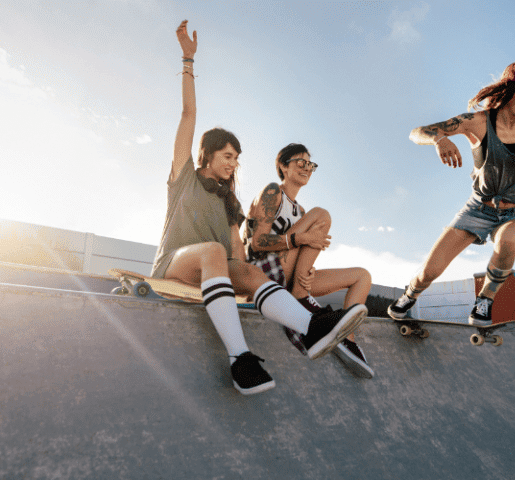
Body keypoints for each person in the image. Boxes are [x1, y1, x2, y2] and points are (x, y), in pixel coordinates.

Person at [151, 21, 367, 395]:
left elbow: (238, 254)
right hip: (174, 266)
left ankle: (312, 329)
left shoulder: (229, 204)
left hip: (212, 273)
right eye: (228, 156)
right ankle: (240, 357)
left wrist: (256, 277)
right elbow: (187, 116)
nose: (234, 164)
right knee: (214, 251)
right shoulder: (183, 176)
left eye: (237, 158)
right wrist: (188, 60)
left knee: (247, 271)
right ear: (207, 155)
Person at [388, 60, 515, 325]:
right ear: (510, 88)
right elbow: (416, 132)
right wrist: (439, 138)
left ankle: (485, 300)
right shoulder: (477, 122)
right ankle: (409, 296)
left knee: (507, 243)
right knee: (429, 272)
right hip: (477, 209)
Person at [242, 143, 374, 378]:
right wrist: (301, 237)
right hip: (261, 273)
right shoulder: (273, 192)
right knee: (321, 214)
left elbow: (300, 256)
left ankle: (346, 339)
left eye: (310, 164)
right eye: (300, 162)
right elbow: (257, 244)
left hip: (289, 278)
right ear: (283, 166)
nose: (307, 168)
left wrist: (308, 271)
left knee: (362, 276)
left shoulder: (300, 211)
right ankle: (301, 298)